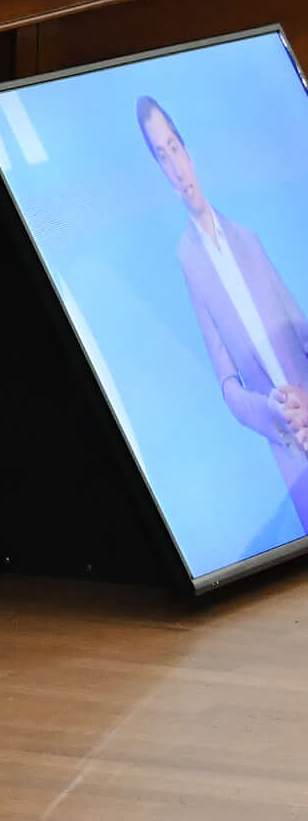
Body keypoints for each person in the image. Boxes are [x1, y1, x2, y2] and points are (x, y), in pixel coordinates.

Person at [141, 98, 308, 534]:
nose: (175, 167)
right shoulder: (186, 261)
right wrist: (275, 413)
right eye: (162, 157)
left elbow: (303, 332)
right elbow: (229, 388)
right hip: (292, 454)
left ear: (188, 152)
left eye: (174, 148)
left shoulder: (247, 239)